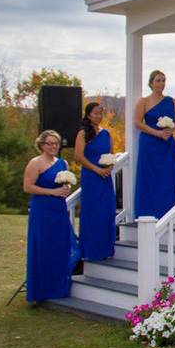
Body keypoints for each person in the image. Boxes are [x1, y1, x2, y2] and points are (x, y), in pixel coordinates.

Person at [22, 130, 77, 302]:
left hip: (59, 210)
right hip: (42, 210)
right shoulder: (35, 163)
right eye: (49, 143)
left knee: (60, 245)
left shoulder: (63, 163)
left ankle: (58, 285)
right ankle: (42, 289)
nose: (53, 146)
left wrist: (66, 189)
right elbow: (28, 187)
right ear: (41, 144)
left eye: (56, 143)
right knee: (43, 246)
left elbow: (64, 185)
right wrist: (51, 192)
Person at [133, 70, 175, 219]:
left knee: (167, 179)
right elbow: (137, 123)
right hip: (149, 144)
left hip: (167, 145)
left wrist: (170, 130)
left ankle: (167, 212)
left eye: (163, 80)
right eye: (158, 80)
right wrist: (157, 133)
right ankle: (148, 214)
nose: (161, 83)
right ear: (151, 83)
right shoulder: (144, 101)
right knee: (149, 178)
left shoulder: (171, 101)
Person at [75, 102, 116, 261]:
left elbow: (111, 154)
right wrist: (96, 169)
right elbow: (79, 157)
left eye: (100, 113)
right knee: (93, 212)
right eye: (95, 113)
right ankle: (91, 251)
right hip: (92, 178)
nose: (98, 116)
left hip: (105, 178)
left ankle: (105, 249)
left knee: (106, 211)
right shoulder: (83, 133)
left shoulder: (106, 133)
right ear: (88, 115)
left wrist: (109, 166)